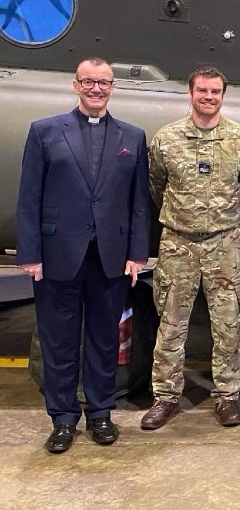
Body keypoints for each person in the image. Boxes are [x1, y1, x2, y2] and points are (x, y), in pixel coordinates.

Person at [16, 57, 149, 453]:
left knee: (104, 340)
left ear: (112, 87)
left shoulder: (132, 136)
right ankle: (62, 419)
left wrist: (137, 254)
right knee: (58, 342)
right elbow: (29, 197)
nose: (96, 89)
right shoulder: (44, 132)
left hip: (110, 256)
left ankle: (101, 413)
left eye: (103, 83)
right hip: (58, 255)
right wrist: (30, 253)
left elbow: (138, 202)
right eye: (88, 82)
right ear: (76, 85)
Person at [141, 66, 240, 430]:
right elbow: (156, 185)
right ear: (190, 93)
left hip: (224, 244)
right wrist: (186, 218)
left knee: (227, 324)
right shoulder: (167, 139)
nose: (209, 97)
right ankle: (166, 397)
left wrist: (223, 217)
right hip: (178, 244)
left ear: (223, 96)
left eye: (215, 92)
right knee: (171, 324)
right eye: (202, 91)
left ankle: (227, 397)